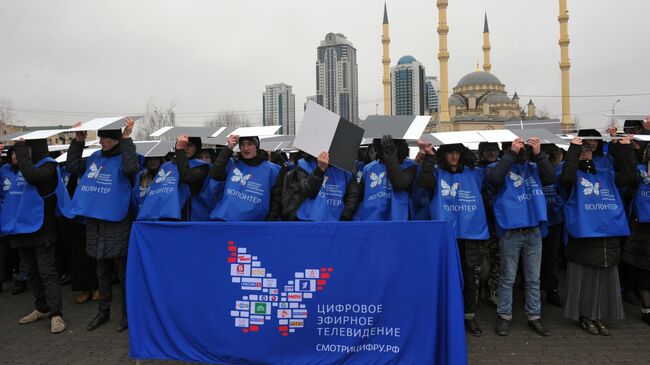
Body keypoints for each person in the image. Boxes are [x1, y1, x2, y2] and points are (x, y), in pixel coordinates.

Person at [66, 118, 140, 332]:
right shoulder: (94, 157)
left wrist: (127, 140)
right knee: (102, 273)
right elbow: (72, 167)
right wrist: (78, 142)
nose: (101, 141)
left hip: (118, 222)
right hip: (97, 223)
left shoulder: (126, 155)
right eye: (100, 137)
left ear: (116, 139)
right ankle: (103, 312)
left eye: (106, 138)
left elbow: (131, 168)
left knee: (124, 274)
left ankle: (127, 315)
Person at [560, 136, 635, 335]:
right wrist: (573, 152)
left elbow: (629, 176)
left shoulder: (606, 173)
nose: (585, 153)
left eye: (588, 150)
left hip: (606, 237)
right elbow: (566, 178)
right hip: (584, 239)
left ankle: (599, 316)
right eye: (581, 150)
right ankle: (585, 316)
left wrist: (625, 148)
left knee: (603, 280)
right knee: (584, 279)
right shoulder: (571, 175)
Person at [486, 137, 554, 337]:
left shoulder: (533, 165)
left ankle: (534, 316)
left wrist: (539, 153)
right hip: (511, 231)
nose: (521, 148)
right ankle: (504, 316)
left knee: (534, 278)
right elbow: (495, 179)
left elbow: (550, 178)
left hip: (533, 230)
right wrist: (510, 154)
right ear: (506, 148)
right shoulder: (494, 166)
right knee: (507, 277)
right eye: (515, 145)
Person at [418, 143, 487, 336]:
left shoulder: (474, 173)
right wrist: (429, 157)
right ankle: (446, 315)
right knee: (446, 276)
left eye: (457, 152)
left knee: (469, 278)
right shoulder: (437, 173)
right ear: (444, 155)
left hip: (469, 235)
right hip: (445, 236)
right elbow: (424, 183)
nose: (454, 156)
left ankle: (469, 316)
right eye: (450, 152)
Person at [2, 138, 69, 334]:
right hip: (21, 229)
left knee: (47, 273)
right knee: (31, 273)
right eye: (15, 152)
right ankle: (41, 307)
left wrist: (21, 149)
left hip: (42, 230)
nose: (17, 155)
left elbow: (32, 176)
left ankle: (56, 314)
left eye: (23, 150)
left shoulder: (47, 166)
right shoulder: (14, 170)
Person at [137, 135, 212, 221]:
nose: (186, 147)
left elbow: (187, 176)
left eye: (190, 145)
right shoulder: (165, 166)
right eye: (183, 144)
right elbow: (155, 193)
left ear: (197, 148)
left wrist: (180, 151)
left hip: (189, 218)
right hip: (163, 217)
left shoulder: (202, 166)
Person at [209, 135, 282, 221]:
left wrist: (269, 222)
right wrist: (228, 148)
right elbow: (214, 173)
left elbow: (276, 199)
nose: (246, 148)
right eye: (242, 144)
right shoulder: (232, 164)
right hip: (226, 221)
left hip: (254, 225)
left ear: (256, 146)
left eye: (250, 144)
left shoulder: (271, 170)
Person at [281, 151, 360, 221]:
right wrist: (320, 169)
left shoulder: (346, 169)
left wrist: (343, 217)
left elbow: (353, 196)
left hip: (335, 224)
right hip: (307, 222)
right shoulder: (304, 165)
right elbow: (308, 190)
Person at [354, 135, 416, 221]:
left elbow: (399, 183)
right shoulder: (369, 168)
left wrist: (390, 154)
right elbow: (359, 196)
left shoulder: (409, 165)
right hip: (372, 221)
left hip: (398, 220)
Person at [622, 142, 650, 326]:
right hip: (642, 228)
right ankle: (646, 309)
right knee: (644, 269)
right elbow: (628, 183)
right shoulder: (639, 171)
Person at [540, 144, 566, 308]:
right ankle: (534, 290)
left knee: (552, 257)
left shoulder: (559, 170)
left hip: (554, 220)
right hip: (537, 220)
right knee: (536, 258)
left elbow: (563, 193)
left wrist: (556, 206)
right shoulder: (534, 168)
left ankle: (552, 289)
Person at [478, 142, 501, 307]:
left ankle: (493, 290)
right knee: (480, 262)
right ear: (482, 152)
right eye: (488, 150)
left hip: (496, 221)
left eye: (495, 149)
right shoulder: (475, 169)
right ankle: (478, 290)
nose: (492, 153)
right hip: (480, 220)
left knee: (497, 259)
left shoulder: (502, 167)